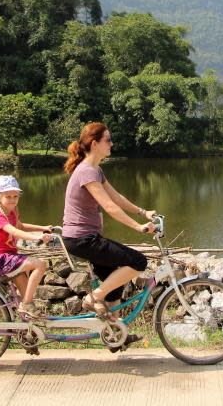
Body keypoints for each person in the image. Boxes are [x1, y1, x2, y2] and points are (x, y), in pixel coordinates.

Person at [62, 122, 156, 321]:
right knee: (139, 261)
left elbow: (117, 197)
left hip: (86, 238)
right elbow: (110, 207)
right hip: (82, 240)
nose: (111, 144)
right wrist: (138, 227)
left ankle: (115, 333)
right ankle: (93, 297)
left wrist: (143, 212)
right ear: (95, 144)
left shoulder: (95, 170)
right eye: (108, 140)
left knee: (113, 287)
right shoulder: (86, 171)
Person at [0, 175, 52, 319]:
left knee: (28, 296)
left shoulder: (12, 212)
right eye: (8, 196)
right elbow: (14, 231)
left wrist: (43, 228)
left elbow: (20, 226)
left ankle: (26, 327)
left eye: (15, 196)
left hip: (12, 257)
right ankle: (25, 305)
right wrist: (37, 237)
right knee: (40, 264)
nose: (13, 199)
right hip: (3, 260)